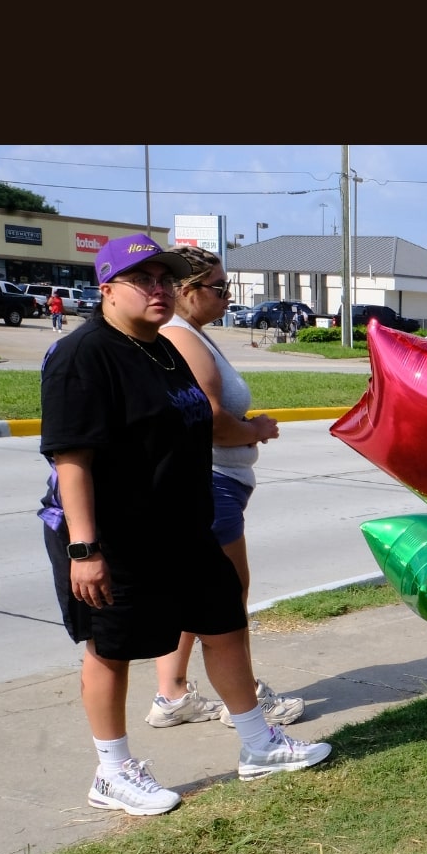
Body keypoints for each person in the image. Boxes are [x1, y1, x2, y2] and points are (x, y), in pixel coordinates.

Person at [38, 233, 330, 817]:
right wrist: (85, 550)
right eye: (143, 280)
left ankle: (258, 744)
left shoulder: (162, 349)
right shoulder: (84, 355)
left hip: (183, 529)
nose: (159, 289)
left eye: (166, 279)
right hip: (114, 536)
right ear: (107, 288)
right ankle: (112, 772)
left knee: (224, 625)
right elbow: (71, 458)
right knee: (111, 649)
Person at [145, 244, 306, 732]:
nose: (228, 295)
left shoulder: (187, 334)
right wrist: (255, 429)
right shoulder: (181, 335)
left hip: (211, 484)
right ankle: (248, 702)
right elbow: (210, 420)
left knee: (196, 595)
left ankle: (173, 695)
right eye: (219, 287)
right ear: (187, 290)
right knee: (226, 600)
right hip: (212, 485)